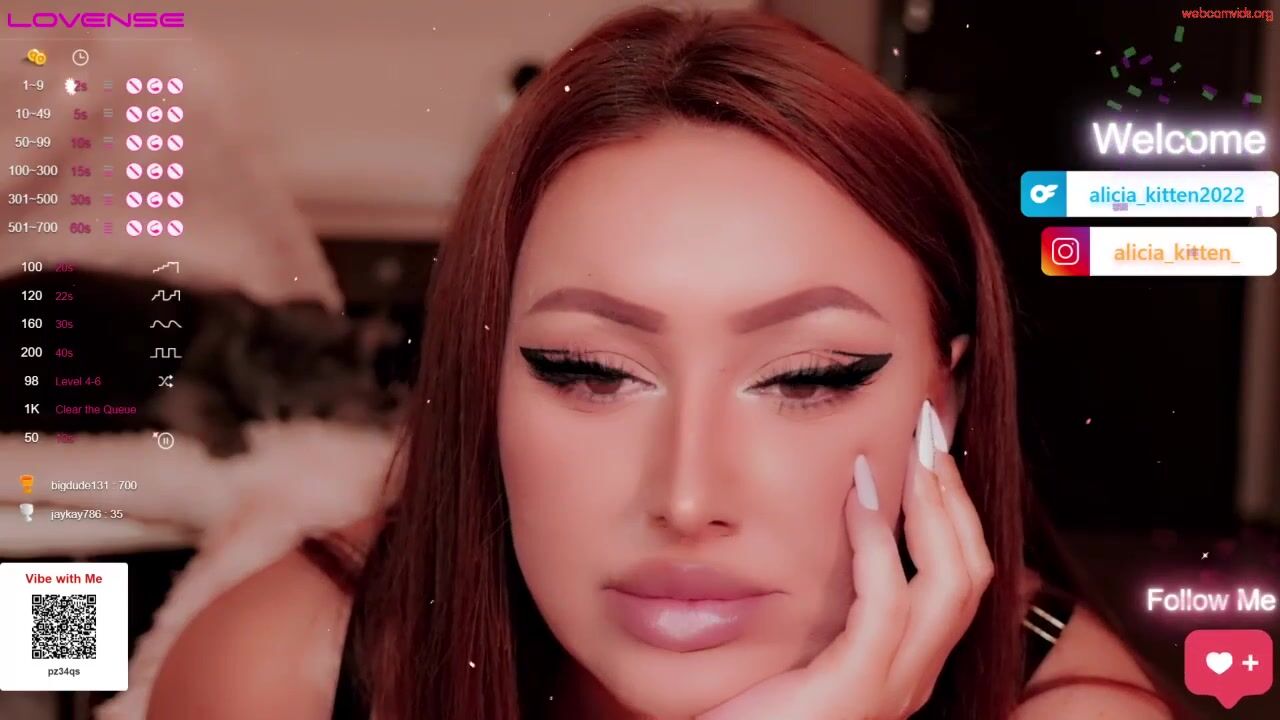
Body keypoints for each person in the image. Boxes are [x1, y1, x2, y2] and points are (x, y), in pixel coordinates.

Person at [150, 7, 1184, 719]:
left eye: (808, 377)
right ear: (483, 386)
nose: (687, 499)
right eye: (587, 370)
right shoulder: (280, 669)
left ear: (942, 401)